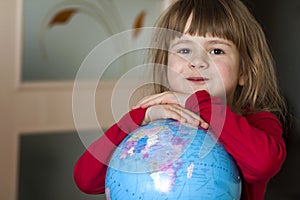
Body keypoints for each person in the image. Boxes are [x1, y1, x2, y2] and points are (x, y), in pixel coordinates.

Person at [73, 0, 288, 199]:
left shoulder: (259, 122)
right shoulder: (151, 123)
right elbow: (85, 179)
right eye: (184, 49)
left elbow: (263, 163)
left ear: (244, 71)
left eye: (216, 50)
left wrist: (197, 102)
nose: (197, 61)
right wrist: (142, 117)